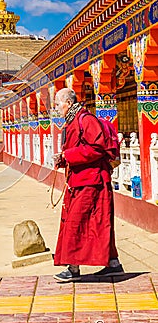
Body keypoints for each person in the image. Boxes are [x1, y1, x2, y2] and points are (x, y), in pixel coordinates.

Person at [52, 88, 124, 282]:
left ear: (67, 102)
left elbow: (97, 148)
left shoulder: (86, 120)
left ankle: (73, 268)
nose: (57, 109)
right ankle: (114, 264)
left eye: (58, 104)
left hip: (92, 181)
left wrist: (69, 155)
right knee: (98, 223)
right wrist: (63, 159)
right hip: (81, 180)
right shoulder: (72, 122)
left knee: (77, 222)